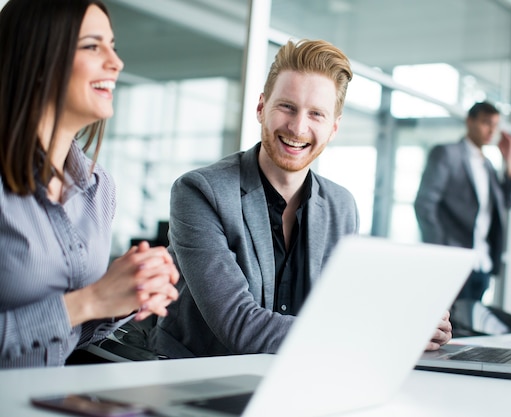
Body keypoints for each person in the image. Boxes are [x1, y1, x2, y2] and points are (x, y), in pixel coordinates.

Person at [150, 39, 452, 358]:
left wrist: (412, 318)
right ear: (261, 108)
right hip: (197, 377)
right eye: (287, 107)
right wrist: (383, 332)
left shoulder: (341, 206)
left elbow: (342, 307)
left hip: (297, 373)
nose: (298, 127)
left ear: (333, 128)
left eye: (316, 114)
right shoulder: (199, 192)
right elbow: (239, 325)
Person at [0, 0, 179, 368]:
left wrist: (123, 298)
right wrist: (91, 300)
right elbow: (77, 308)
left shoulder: (99, 188)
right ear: (37, 58)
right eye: (93, 46)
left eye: (113, 46)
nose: (116, 62)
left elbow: (67, 336)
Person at [414, 101, 511, 304]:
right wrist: (441, 251)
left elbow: (508, 201)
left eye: (495, 125)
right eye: (486, 122)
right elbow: (424, 205)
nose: (491, 130)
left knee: (471, 330)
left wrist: (508, 161)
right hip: (453, 261)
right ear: (470, 122)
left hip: (482, 264)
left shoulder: (488, 165)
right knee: (447, 329)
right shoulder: (447, 153)